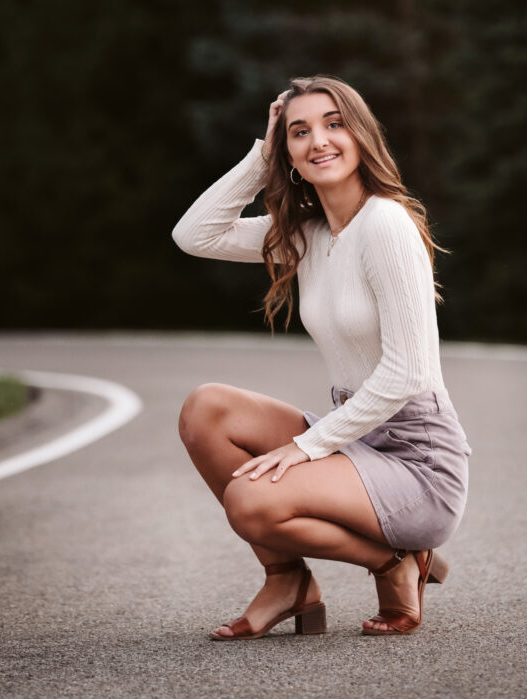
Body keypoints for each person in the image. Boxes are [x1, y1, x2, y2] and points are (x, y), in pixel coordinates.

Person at [172, 75, 471, 641]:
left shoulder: (386, 224)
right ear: (288, 153)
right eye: (299, 132)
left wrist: (306, 447)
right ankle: (288, 582)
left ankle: (396, 560)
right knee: (206, 408)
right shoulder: (307, 234)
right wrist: (262, 158)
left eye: (334, 124)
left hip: (417, 461)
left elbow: (408, 373)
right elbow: (195, 235)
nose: (319, 142)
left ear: (361, 136)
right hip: (356, 440)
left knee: (252, 501)